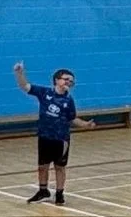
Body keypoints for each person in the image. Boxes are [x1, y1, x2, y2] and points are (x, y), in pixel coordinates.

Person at [14, 63, 87, 204]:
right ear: (56, 80)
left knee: (60, 167)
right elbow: (25, 86)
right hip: (45, 136)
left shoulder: (69, 100)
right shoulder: (44, 93)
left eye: (71, 81)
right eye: (66, 79)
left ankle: (59, 193)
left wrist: (85, 124)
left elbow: (72, 118)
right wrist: (19, 74)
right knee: (42, 166)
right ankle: (43, 191)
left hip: (61, 138)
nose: (68, 83)